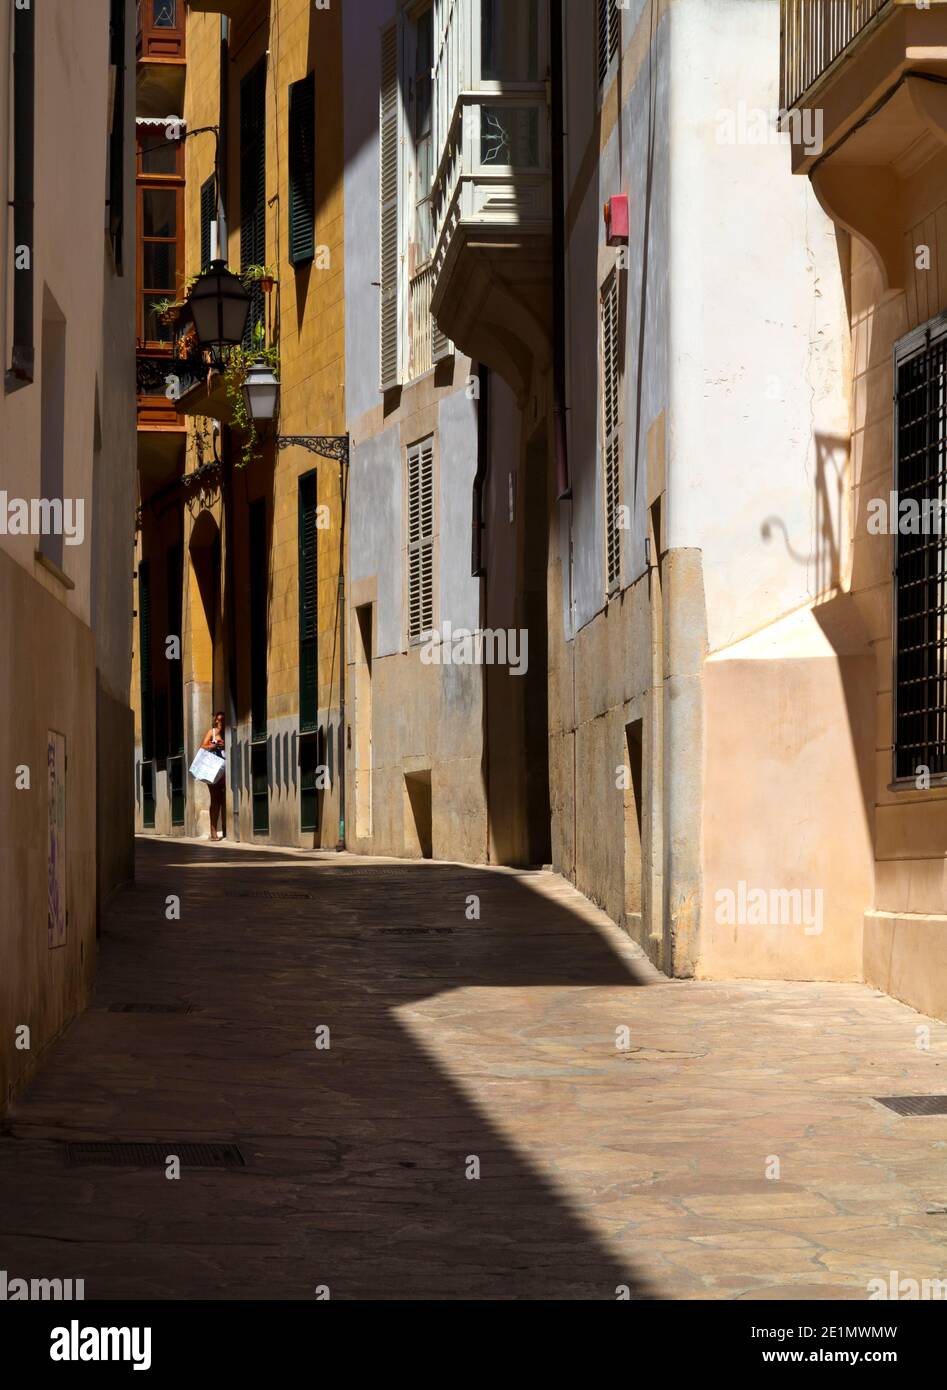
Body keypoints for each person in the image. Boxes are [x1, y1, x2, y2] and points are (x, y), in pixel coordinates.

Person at [200, 711, 227, 841]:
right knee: (215, 799)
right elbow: (203, 746)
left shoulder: (228, 732)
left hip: (226, 769)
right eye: (219, 720)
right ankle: (213, 830)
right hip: (214, 769)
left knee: (225, 799)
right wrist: (214, 745)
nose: (221, 722)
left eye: (223, 720)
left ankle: (227, 828)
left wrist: (225, 744)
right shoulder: (212, 732)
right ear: (216, 721)